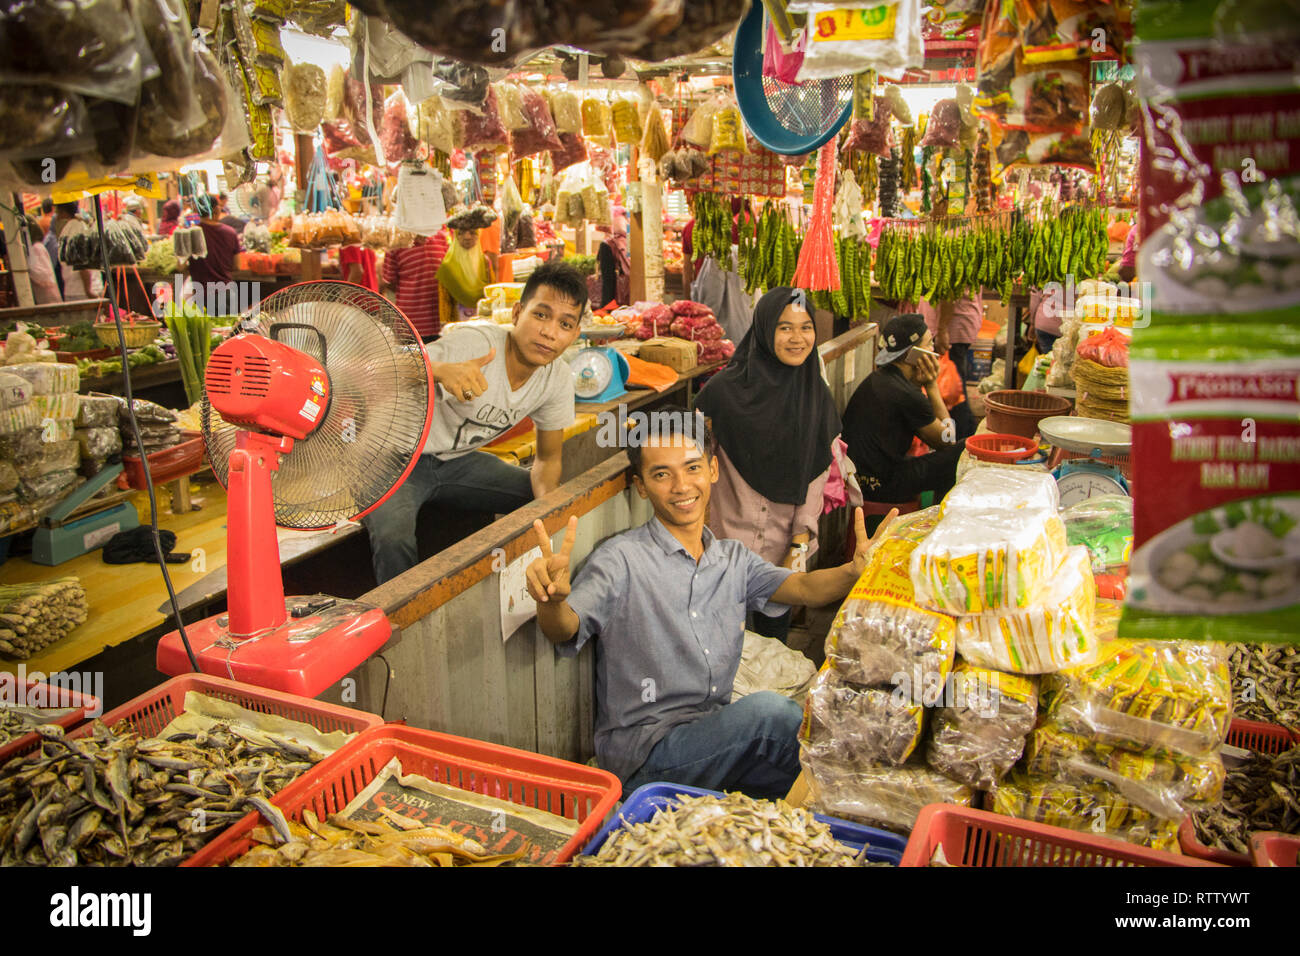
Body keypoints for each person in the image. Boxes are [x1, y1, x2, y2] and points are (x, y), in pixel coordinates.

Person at [526, 410, 896, 798]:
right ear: (640, 486)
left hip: (714, 741)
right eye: (661, 474)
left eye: (692, 468)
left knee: (813, 794)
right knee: (770, 714)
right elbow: (564, 628)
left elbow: (803, 588)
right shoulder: (620, 560)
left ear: (713, 469)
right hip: (648, 755)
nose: (681, 486)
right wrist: (551, 601)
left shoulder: (734, 559)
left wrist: (854, 572)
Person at [362, 260, 587, 584]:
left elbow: (548, 459)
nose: (550, 332)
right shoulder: (474, 345)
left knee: (537, 498)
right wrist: (437, 370)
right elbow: (376, 367)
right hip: (391, 459)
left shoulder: (557, 378)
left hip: (456, 464)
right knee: (392, 537)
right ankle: (403, 623)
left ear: (575, 333)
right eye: (540, 314)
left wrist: (548, 517)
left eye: (565, 324)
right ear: (516, 313)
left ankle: (507, 588)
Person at [695, 286, 840, 642]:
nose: (797, 338)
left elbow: (816, 475)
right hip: (723, 549)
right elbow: (694, 460)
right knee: (722, 647)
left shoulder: (816, 397)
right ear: (763, 329)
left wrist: (799, 544)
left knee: (775, 643)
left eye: (806, 327)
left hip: (783, 550)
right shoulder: (722, 393)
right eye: (784, 327)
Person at [842, 312, 963, 504]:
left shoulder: (881, 378)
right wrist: (932, 386)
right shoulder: (906, 394)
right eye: (929, 344)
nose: (934, 350)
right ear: (913, 354)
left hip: (860, 480)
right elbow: (948, 440)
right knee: (961, 452)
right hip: (881, 486)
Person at [381, 229, 450, 340]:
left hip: (441, 321)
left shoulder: (442, 237)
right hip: (412, 323)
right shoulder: (397, 244)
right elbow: (390, 280)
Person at [52, 202, 102, 301]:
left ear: (63, 212)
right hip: (76, 290)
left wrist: (88, 291)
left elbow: (82, 263)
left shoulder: (77, 228)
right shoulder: (72, 228)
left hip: (82, 292)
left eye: (57, 213)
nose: (56, 218)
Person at [188, 194, 240, 288]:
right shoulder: (231, 233)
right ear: (216, 209)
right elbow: (236, 266)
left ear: (197, 211)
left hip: (202, 294)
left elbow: (181, 266)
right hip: (226, 291)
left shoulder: (191, 233)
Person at [595, 211, 630, 309]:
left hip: (613, 300)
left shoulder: (607, 244)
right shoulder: (629, 242)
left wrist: (605, 306)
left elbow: (607, 280)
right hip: (628, 297)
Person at [24, 219, 61, 305]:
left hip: (48, 296)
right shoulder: (36, 247)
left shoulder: (37, 248)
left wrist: (26, 269)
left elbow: (42, 274)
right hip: (45, 295)